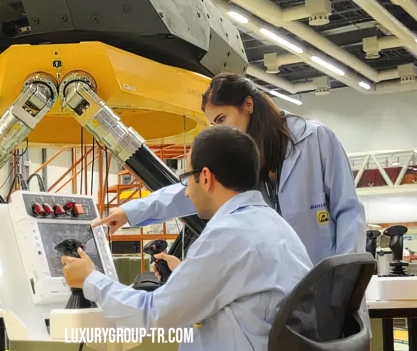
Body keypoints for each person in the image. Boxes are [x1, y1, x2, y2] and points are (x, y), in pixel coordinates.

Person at [61, 126, 313, 350]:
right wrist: (189, 274)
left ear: (206, 177)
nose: (187, 193)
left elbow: (155, 314)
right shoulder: (275, 225)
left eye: (186, 179)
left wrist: (90, 280)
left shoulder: (228, 235)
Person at [94, 73, 367, 268]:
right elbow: (191, 190)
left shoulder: (315, 139)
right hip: (278, 286)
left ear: (247, 105)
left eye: (222, 119)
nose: (220, 130)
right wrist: (130, 211)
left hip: (327, 278)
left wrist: (346, 278)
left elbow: (348, 211)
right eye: (214, 125)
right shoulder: (240, 157)